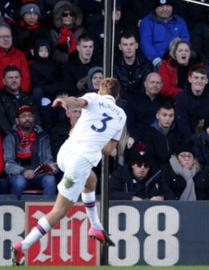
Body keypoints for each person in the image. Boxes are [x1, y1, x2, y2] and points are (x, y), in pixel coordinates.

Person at [12, 78, 127, 265]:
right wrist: (101, 139)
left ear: (100, 91)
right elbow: (107, 151)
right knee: (59, 211)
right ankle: (23, 246)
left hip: (65, 153)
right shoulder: (121, 116)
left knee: (90, 179)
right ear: (118, 95)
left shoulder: (93, 98)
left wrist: (64, 101)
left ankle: (95, 226)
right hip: (78, 164)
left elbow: (77, 102)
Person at [3, 105, 57, 200]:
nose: (27, 118)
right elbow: (8, 163)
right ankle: (13, 208)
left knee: (50, 180)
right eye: (23, 116)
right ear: (17, 120)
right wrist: (23, 171)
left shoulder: (42, 136)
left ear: (34, 118)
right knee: (19, 183)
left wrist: (51, 167)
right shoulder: (10, 137)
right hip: (19, 174)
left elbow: (48, 159)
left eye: (30, 115)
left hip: (39, 174)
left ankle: (48, 212)